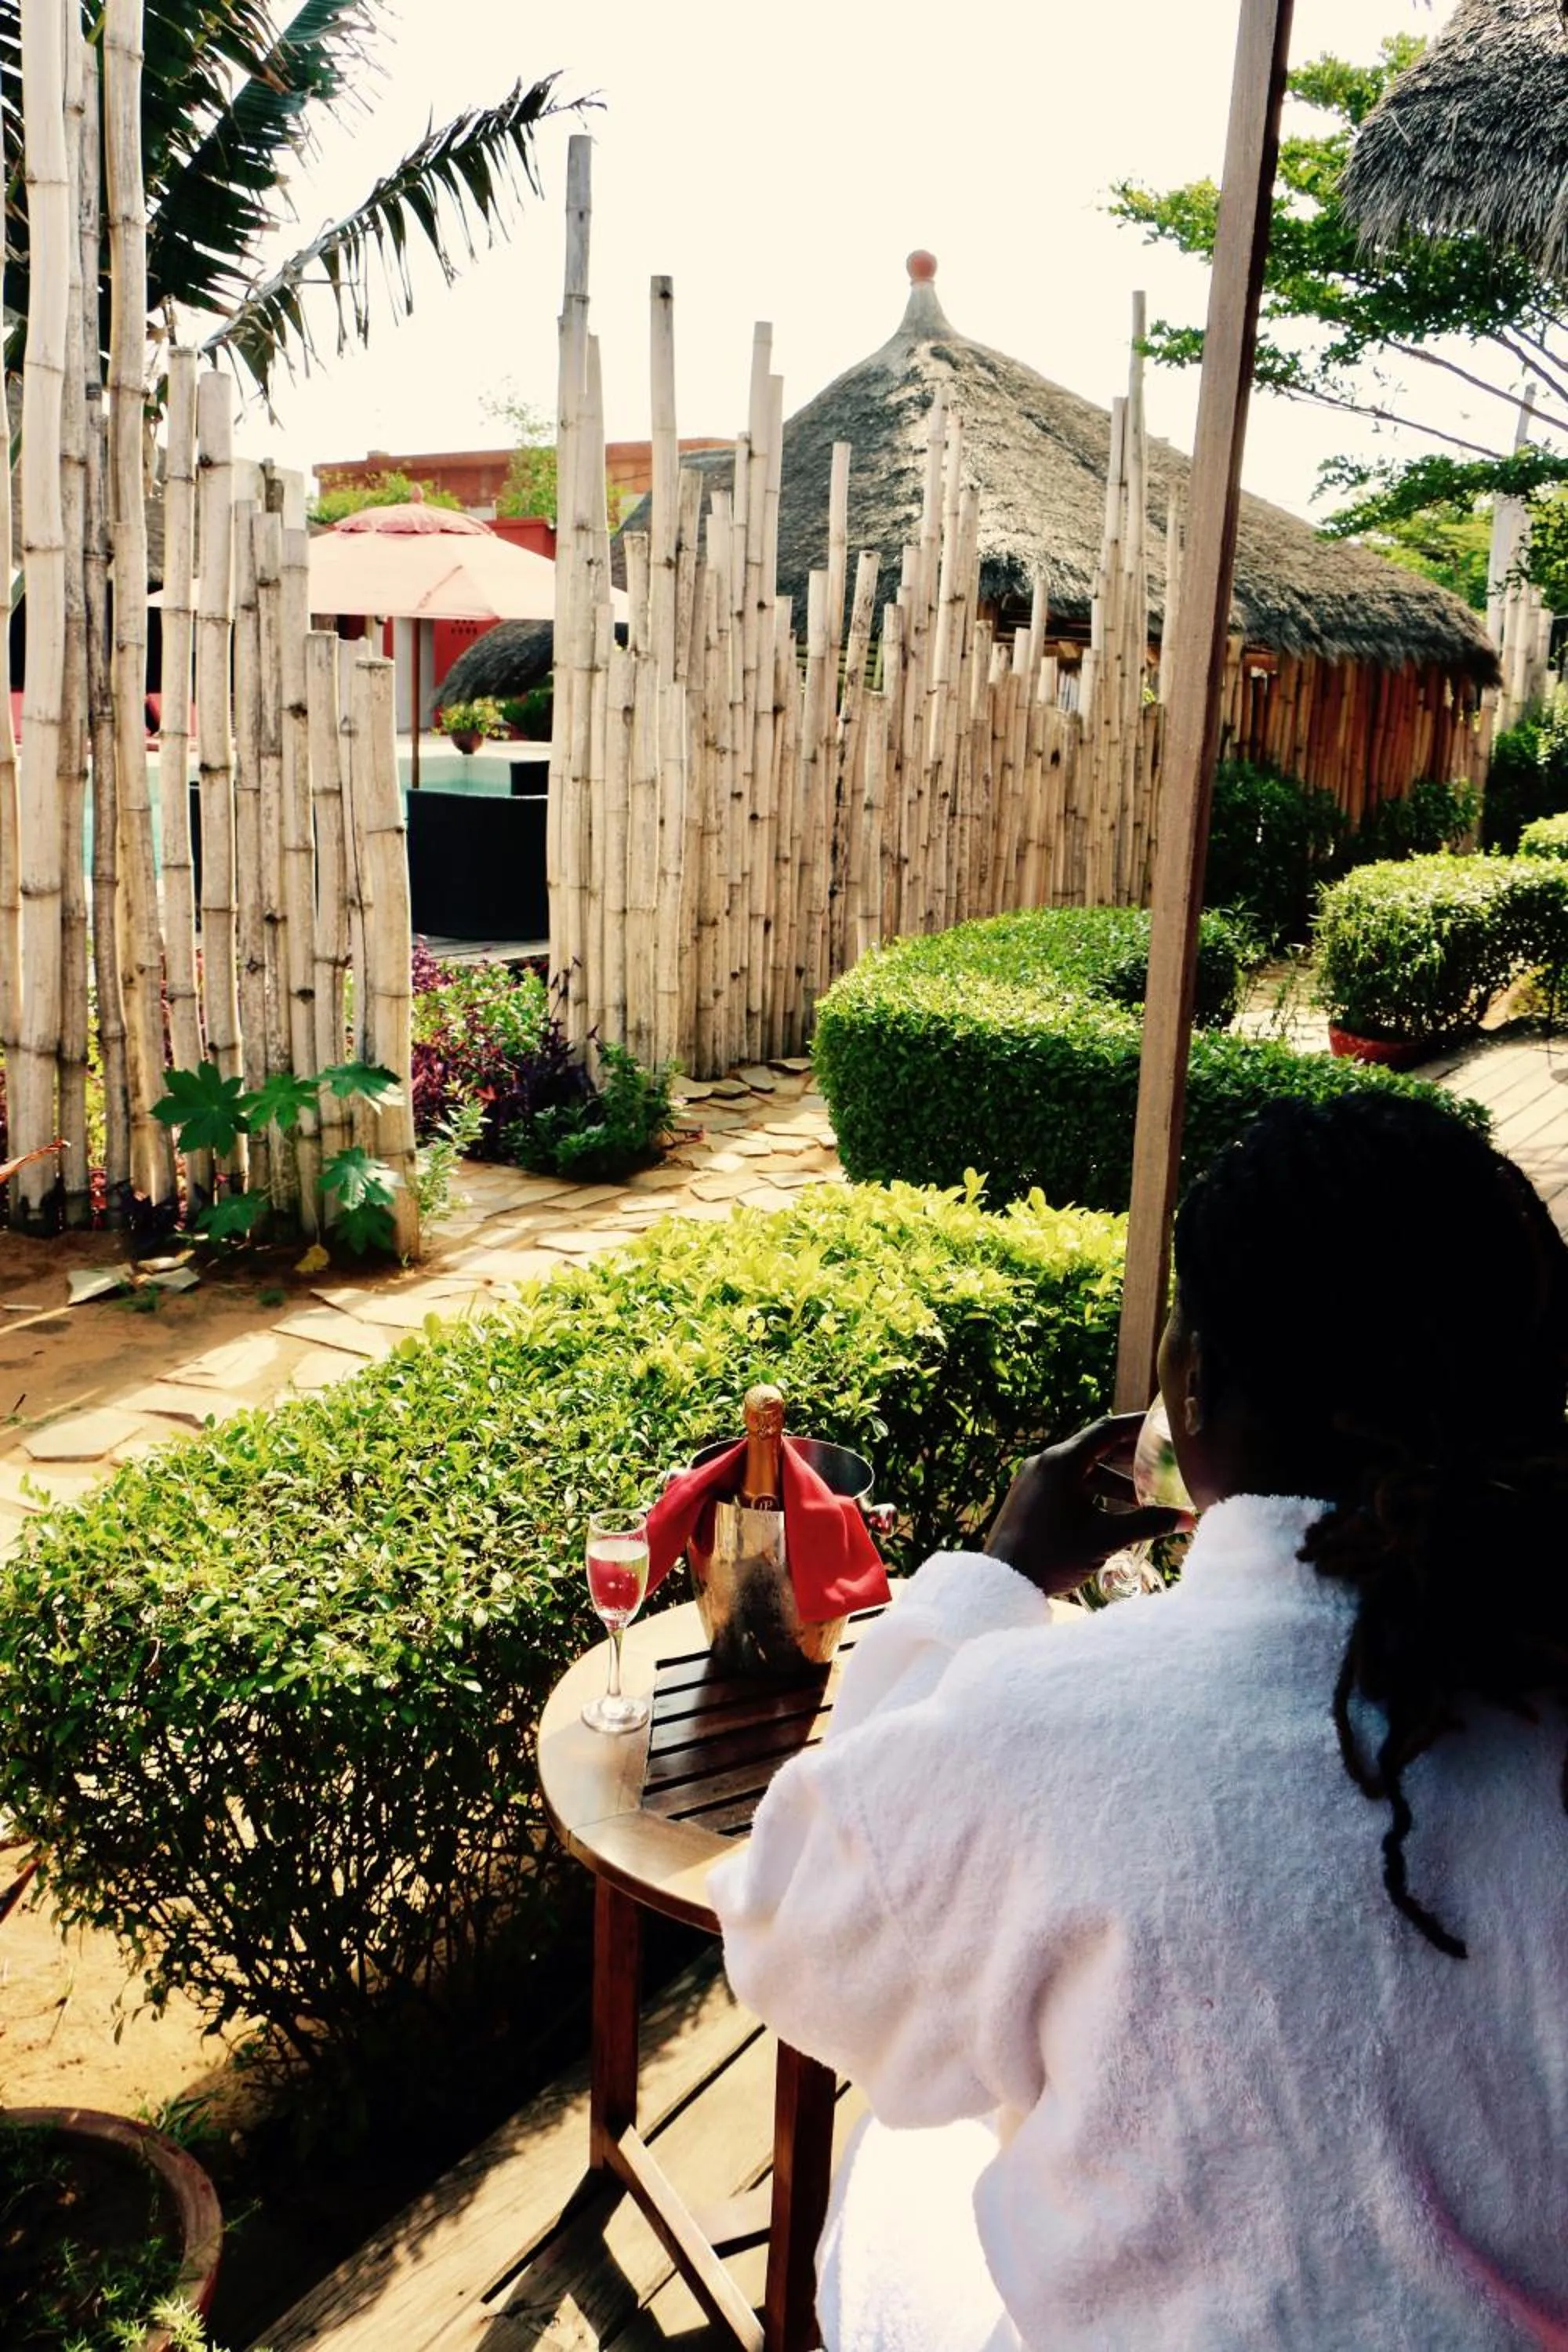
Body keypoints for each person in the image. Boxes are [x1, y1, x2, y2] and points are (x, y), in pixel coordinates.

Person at [710, 1093, 1568, 2351]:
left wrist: (994, 1576)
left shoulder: (1045, 1733)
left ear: (1192, 1382)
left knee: (904, 2160)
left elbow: (794, 1933)